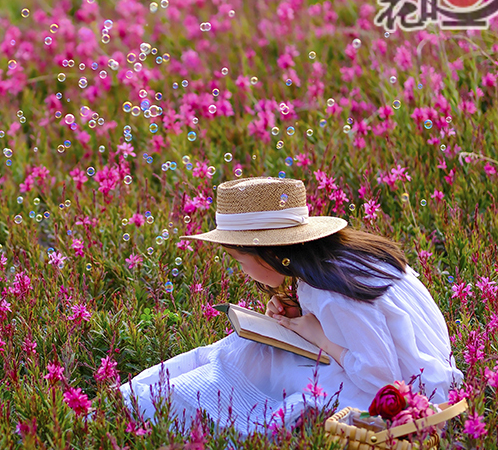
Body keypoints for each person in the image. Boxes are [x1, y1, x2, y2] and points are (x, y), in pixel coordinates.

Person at [119, 176, 465, 435]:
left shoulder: (332, 292)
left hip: (409, 395)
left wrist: (321, 337)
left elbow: (382, 376)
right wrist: (303, 317)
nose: (240, 270)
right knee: (248, 349)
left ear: (268, 255)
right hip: (418, 369)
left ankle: (159, 405)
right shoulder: (342, 261)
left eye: (239, 260)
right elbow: (371, 327)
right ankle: (149, 397)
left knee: (253, 356)